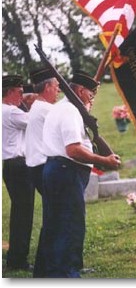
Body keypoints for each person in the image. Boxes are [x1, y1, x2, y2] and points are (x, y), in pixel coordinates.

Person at [38, 70, 121, 278]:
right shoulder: (70, 112)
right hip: (66, 172)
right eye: (91, 96)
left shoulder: (63, 109)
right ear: (81, 91)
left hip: (57, 171)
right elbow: (73, 149)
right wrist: (105, 161)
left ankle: (48, 274)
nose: (92, 100)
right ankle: (66, 275)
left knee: (54, 226)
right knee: (69, 227)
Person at [24, 67, 61, 277]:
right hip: (42, 168)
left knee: (53, 217)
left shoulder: (39, 107)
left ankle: (46, 268)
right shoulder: (46, 109)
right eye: (56, 87)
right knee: (54, 218)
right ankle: (46, 269)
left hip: (38, 167)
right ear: (47, 87)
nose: (58, 91)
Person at [2, 74, 34, 271]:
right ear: (10, 92)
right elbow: (36, 122)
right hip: (19, 165)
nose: (22, 96)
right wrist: (36, 103)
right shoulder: (12, 112)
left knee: (19, 213)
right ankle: (18, 260)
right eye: (20, 92)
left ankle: (15, 256)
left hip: (10, 165)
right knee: (24, 214)